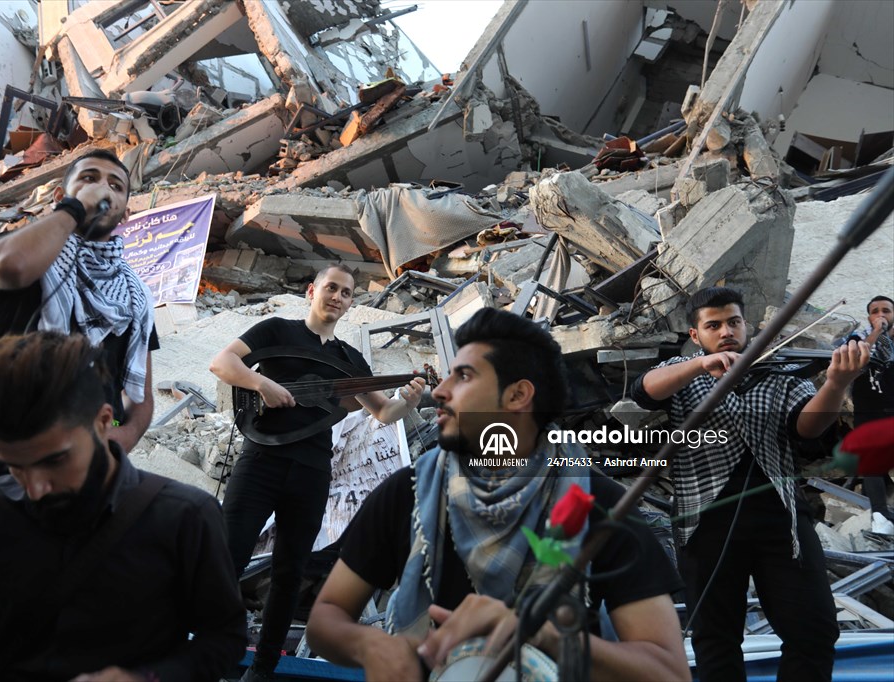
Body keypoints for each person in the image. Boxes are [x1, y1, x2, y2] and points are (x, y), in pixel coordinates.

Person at [306, 307, 690, 682]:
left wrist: (540, 633)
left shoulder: (597, 503)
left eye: (464, 376)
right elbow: (327, 617)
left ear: (518, 395)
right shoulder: (407, 493)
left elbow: (667, 671)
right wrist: (369, 645)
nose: (440, 391)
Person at [0, 332, 246, 681]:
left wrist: (145, 678)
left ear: (103, 422)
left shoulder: (185, 516)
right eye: (15, 466)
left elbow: (224, 641)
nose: (35, 489)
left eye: (54, 461)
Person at [631, 286, 871, 682]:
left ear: (746, 326)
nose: (726, 332)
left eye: (733, 322)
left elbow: (807, 427)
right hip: (704, 524)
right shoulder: (684, 375)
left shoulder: (778, 374)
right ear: (696, 336)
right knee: (716, 640)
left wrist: (837, 383)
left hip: (782, 523)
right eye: (713, 326)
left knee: (814, 631)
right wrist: (700, 366)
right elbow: (645, 390)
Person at [209, 263, 426, 681]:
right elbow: (222, 363)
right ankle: (206, 652)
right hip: (260, 461)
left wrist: (409, 399)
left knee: (290, 572)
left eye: (347, 293)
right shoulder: (276, 331)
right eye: (331, 288)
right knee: (226, 558)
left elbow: (383, 411)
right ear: (312, 290)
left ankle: (263, 670)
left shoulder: (349, 360)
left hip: (311, 474)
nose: (338, 298)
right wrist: (261, 385)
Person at [0, 148, 158, 493]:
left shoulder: (134, 294)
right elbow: (10, 267)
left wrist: (124, 437)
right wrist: (74, 208)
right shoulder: (24, 252)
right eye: (88, 178)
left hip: (91, 460)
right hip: (14, 458)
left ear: (125, 213)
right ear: (60, 194)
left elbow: (140, 392)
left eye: (116, 185)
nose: (102, 189)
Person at [844, 295, 894, 522]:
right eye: (876, 311)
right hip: (869, 409)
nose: (881, 315)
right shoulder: (858, 337)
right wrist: (876, 332)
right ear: (869, 317)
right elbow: (856, 358)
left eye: (886, 311)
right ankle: (879, 514)